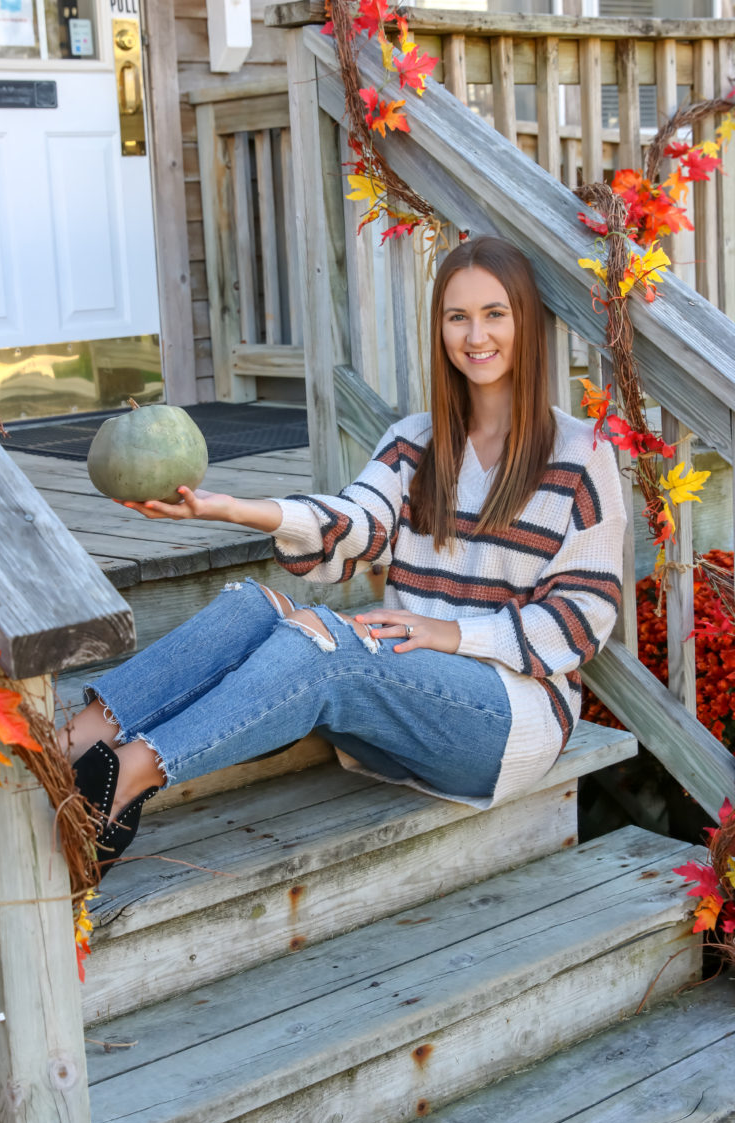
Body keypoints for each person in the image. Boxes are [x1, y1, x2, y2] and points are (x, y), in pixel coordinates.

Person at [62, 236, 625, 878]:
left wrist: (451, 633)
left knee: (320, 643)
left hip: (506, 717)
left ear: (526, 321)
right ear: (439, 326)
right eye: (457, 316)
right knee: (252, 607)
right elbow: (357, 523)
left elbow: (583, 618)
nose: (476, 335)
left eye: (496, 313)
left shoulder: (580, 455)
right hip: (395, 688)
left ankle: (119, 785)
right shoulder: (415, 442)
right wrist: (233, 508)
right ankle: (69, 748)